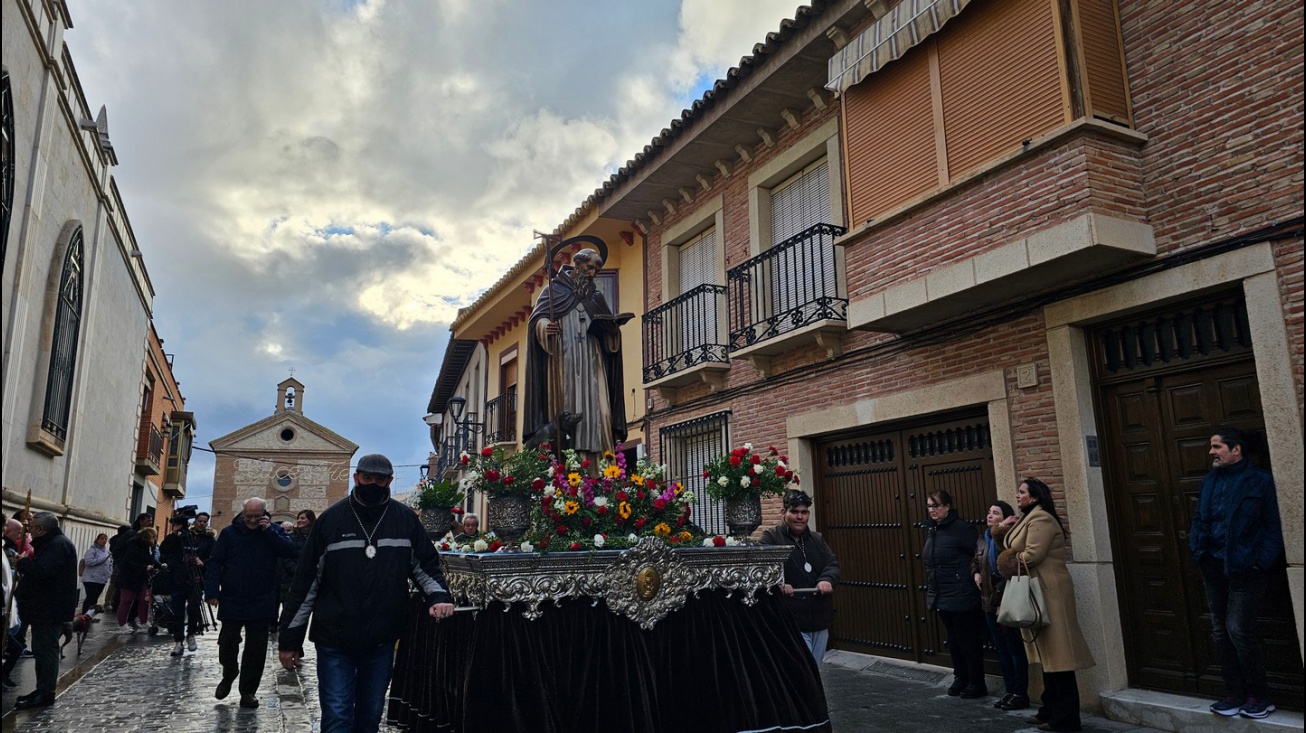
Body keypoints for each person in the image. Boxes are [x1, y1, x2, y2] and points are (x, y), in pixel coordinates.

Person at [279, 453, 455, 733]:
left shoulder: (405, 520)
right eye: (367, 478)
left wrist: (440, 596)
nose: (373, 483)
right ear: (356, 478)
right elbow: (306, 582)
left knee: (371, 715)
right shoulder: (331, 521)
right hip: (335, 636)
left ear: (389, 481)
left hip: (382, 637)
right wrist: (290, 639)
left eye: (380, 479)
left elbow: (425, 566)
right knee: (337, 715)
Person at [1189, 427, 1283, 720]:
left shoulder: (1260, 481)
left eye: (1217, 446)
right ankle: (1234, 694)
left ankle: (1260, 696)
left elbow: (1273, 524)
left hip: (1246, 568)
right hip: (1213, 566)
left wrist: (1260, 561)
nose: (1211, 452)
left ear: (1236, 449)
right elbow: (1199, 519)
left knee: (1239, 630)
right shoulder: (1210, 481)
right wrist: (1198, 550)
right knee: (1220, 632)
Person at [995, 479, 1094, 733]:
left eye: (1022, 492)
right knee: (1049, 660)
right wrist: (1001, 532)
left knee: (1059, 660)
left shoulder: (1041, 520)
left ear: (1035, 497)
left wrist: (1005, 559)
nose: (1017, 496)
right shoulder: (1028, 518)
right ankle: (1049, 710)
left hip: (1050, 594)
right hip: (1039, 593)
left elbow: (1032, 555)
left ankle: (1066, 719)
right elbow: (1015, 548)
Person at [523, 247, 627, 458]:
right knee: (567, 411)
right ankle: (569, 463)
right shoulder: (553, 291)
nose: (593, 273)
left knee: (603, 413)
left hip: (593, 362)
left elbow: (610, 341)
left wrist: (612, 332)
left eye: (597, 270)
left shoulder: (596, 296)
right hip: (564, 362)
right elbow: (537, 321)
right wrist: (545, 326)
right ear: (577, 265)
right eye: (590, 268)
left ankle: (601, 466)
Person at [205, 497, 298, 708]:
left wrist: (269, 533)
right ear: (243, 514)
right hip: (232, 596)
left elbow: (289, 551)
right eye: (249, 516)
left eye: (258, 516)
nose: (253, 520)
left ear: (265, 514)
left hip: (262, 598)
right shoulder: (229, 533)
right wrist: (211, 591)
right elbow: (215, 562)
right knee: (227, 642)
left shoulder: (274, 532)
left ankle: (248, 691)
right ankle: (229, 672)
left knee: (256, 649)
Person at [760, 490, 839, 663]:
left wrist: (826, 579)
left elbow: (831, 564)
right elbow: (764, 568)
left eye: (804, 512)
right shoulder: (770, 538)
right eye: (794, 512)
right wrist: (779, 582)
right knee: (805, 667)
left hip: (818, 618)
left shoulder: (817, 539)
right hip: (790, 620)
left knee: (815, 668)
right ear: (783, 512)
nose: (799, 517)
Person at [923, 489, 987, 699]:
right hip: (942, 594)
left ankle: (977, 682)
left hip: (962, 594)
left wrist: (974, 574)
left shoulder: (961, 529)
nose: (932, 510)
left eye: (937, 506)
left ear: (948, 506)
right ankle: (961, 677)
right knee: (953, 640)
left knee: (967, 640)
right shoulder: (934, 530)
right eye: (930, 506)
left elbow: (978, 555)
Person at [13, 512, 78, 709]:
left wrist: (22, 563)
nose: (29, 532)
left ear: (42, 529)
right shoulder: (54, 543)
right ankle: (42, 689)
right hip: (46, 607)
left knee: (46, 651)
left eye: (31, 528)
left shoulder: (56, 545)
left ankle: (46, 692)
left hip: (50, 609)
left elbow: (42, 572)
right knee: (42, 651)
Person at [973, 500, 1028, 710]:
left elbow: (1009, 564)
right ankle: (1009, 690)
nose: (989, 516)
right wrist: (975, 572)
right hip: (988, 601)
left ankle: (1020, 692)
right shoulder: (981, 540)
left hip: (1007, 600)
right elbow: (975, 561)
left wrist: (1002, 530)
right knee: (1001, 649)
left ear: (1005, 517)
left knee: (1014, 648)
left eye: (995, 513)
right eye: (989, 512)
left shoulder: (1008, 538)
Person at [160, 516, 205, 656]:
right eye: (200, 521)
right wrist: (174, 533)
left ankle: (191, 634)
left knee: (193, 609)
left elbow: (214, 557)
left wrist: (203, 562)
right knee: (178, 613)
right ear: (194, 522)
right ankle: (178, 642)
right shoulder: (180, 538)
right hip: (178, 580)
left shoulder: (208, 540)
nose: (202, 524)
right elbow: (165, 550)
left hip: (197, 580)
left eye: (205, 521)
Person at [116, 527, 157, 631]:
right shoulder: (134, 546)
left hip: (142, 577)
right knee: (127, 601)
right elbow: (127, 562)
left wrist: (160, 565)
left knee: (144, 600)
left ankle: (144, 621)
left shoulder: (149, 547)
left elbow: (151, 560)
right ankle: (122, 624)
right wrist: (144, 567)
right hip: (129, 578)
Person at [80, 532, 113, 613]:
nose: (104, 540)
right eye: (102, 538)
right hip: (91, 579)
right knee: (91, 597)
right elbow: (89, 562)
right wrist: (103, 559)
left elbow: (110, 563)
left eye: (106, 539)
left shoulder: (107, 552)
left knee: (95, 599)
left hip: (102, 579)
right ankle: (84, 614)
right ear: (97, 540)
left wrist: (109, 572)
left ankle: (90, 615)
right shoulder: (92, 550)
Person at [105, 524, 134, 611]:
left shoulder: (116, 540)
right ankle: (108, 602)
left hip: (119, 564)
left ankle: (112, 601)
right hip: (118, 564)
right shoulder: (119, 541)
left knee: (116, 584)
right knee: (114, 583)